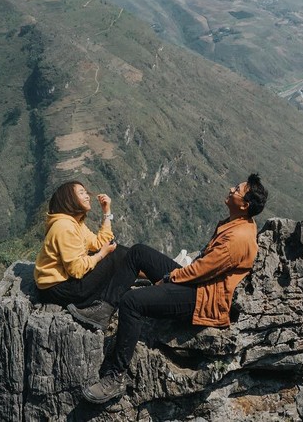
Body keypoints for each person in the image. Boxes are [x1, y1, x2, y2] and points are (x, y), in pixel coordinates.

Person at [80, 173, 269, 405]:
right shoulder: (236, 223)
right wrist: (174, 276)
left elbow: (201, 271)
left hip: (202, 297)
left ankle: (115, 376)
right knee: (138, 252)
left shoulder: (237, 238)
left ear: (245, 204)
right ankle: (103, 311)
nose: (231, 189)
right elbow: (202, 268)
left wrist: (169, 278)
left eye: (237, 189)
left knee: (132, 302)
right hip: (197, 283)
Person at [34, 180, 127, 316]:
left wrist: (107, 212)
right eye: (81, 193)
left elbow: (98, 243)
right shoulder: (65, 227)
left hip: (61, 284)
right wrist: (101, 255)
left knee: (121, 252)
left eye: (86, 192)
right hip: (58, 290)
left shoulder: (75, 223)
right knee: (117, 255)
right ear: (69, 200)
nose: (87, 196)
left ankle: (148, 273)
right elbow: (76, 270)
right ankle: (158, 277)